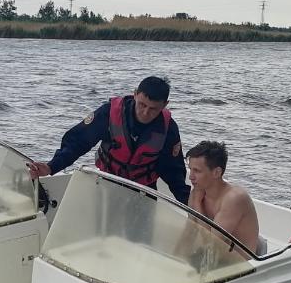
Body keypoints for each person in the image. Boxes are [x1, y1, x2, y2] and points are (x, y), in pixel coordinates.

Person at [26, 76, 190, 204]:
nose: (145, 113)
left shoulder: (168, 129)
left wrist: (190, 206)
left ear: (165, 105)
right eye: (142, 104)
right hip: (107, 183)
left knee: (141, 235)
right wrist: (51, 166)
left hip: (144, 191)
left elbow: (173, 171)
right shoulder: (109, 113)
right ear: (135, 94)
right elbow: (77, 143)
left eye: (153, 109)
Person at [185, 140, 261, 256]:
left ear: (216, 172)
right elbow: (189, 233)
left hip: (240, 265)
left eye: (197, 171)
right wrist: (174, 257)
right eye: (190, 169)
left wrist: (196, 204)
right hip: (210, 259)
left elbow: (210, 244)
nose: (191, 177)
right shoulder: (197, 192)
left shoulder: (234, 199)